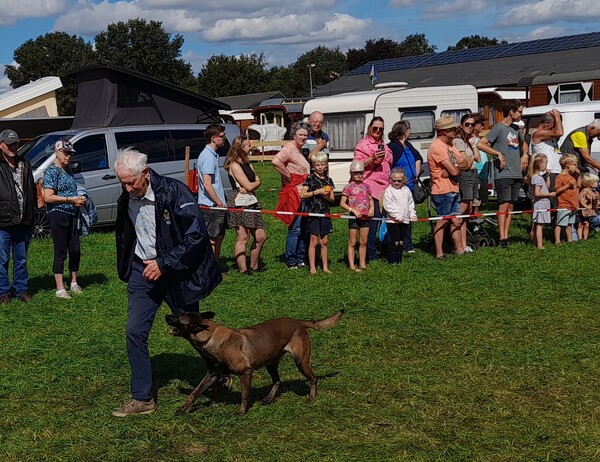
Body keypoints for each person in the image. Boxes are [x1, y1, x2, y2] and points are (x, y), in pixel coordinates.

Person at [112, 147, 221, 417]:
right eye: (122, 183)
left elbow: (196, 236)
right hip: (142, 271)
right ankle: (142, 398)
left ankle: (220, 371)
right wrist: (133, 266)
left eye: (131, 182)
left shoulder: (175, 192)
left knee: (195, 331)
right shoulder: (126, 199)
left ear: (145, 174)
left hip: (176, 272)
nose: (127, 189)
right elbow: (125, 235)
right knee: (134, 331)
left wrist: (164, 263)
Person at [477, 99, 528, 248]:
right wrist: (498, 153)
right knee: (503, 205)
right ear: (511, 112)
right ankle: (501, 237)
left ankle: (507, 235)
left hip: (516, 172)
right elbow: (481, 144)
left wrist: (525, 154)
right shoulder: (499, 128)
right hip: (503, 173)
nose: (521, 115)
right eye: (519, 111)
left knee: (511, 205)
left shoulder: (516, 129)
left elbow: (523, 142)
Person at [43, 140, 87, 299]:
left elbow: (72, 188)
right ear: (57, 152)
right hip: (58, 214)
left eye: (71, 153)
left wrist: (80, 199)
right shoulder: (51, 171)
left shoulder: (68, 170)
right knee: (61, 250)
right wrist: (71, 200)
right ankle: (60, 288)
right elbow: (48, 197)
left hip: (72, 213)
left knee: (75, 249)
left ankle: (74, 282)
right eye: (66, 153)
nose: (69, 156)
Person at [0, 129, 36, 304]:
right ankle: (3, 292)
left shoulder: (24, 164)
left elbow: (30, 190)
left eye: (15, 144)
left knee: (21, 258)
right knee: (2, 259)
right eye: (9, 144)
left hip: (23, 220)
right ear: (1, 145)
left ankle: (21, 290)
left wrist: (32, 215)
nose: (13, 147)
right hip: (3, 221)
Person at [224, 135, 267, 275]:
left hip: (252, 201)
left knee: (260, 236)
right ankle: (243, 269)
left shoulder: (248, 163)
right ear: (240, 148)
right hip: (239, 202)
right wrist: (254, 184)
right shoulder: (234, 165)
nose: (251, 147)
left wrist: (255, 184)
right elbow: (249, 185)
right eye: (248, 145)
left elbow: (257, 182)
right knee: (243, 236)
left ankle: (254, 266)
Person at [427, 116, 469, 259]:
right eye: (452, 129)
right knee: (443, 220)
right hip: (442, 190)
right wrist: (456, 167)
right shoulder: (437, 147)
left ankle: (459, 250)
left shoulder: (450, 146)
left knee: (456, 220)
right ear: (445, 131)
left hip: (453, 187)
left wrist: (455, 166)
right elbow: (455, 171)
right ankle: (439, 253)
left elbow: (466, 164)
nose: (455, 131)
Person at [353, 117, 393, 262]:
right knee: (372, 222)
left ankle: (383, 248)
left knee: (385, 221)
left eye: (380, 129)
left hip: (385, 188)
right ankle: (371, 254)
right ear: (370, 128)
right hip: (371, 188)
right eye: (375, 128)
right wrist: (372, 158)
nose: (377, 131)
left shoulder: (385, 146)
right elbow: (357, 165)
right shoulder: (363, 145)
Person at [272, 122, 311, 269]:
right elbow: (275, 160)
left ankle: (300, 258)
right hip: (295, 193)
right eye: (300, 134)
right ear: (294, 135)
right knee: (295, 228)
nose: (303, 137)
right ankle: (291, 260)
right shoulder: (289, 147)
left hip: (304, 193)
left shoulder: (299, 149)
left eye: (305, 135)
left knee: (303, 226)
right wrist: (288, 175)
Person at [387, 120, 423, 253]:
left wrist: (416, 171)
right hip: (397, 186)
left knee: (408, 214)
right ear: (404, 130)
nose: (410, 131)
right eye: (409, 129)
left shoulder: (408, 145)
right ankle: (396, 243)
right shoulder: (392, 147)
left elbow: (418, 157)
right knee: (397, 216)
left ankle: (407, 244)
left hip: (410, 186)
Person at [300, 152, 335, 274]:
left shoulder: (329, 180)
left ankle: (325, 267)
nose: (320, 167)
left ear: (326, 165)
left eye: (322, 164)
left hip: (325, 212)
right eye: (317, 165)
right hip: (313, 213)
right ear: (313, 165)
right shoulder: (310, 178)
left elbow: (332, 199)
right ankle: (312, 267)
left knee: (324, 241)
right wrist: (317, 192)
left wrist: (326, 196)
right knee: (314, 241)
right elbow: (303, 194)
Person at [197, 124, 228, 261]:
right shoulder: (208, 157)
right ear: (214, 138)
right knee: (213, 239)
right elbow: (207, 185)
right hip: (210, 205)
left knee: (219, 236)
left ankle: (215, 264)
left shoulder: (212, 155)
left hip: (215, 204)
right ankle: (210, 267)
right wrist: (219, 203)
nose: (224, 139)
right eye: (222, 136)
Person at [452, 114, 480, 252]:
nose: (470, 127)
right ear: (461, 125)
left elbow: (478, 159)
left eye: (472, 125)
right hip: (466, 175)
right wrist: (471, 158)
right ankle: (458, 243)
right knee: (462, 210)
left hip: (474, 174)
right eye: (467, 124)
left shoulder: (469, 140)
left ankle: (464, 244)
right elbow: (465, 163)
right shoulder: (458, 141)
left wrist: (474, 145)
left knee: (468, 211)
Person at [340, 161, 374, 272]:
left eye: (360, 173)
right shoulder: (348, 187)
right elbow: (342, 203)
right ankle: (352, 265)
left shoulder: (367, 186)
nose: (358, 175)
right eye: (356, 173)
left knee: (363, 241)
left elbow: (370, 199)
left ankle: (362, 263)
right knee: (353, 242)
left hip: (365, 217)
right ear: (351, 173)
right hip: (354, 218)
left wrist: (372, 209)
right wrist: (352, 210)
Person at [382, 168, 418, 264]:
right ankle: (392, 261)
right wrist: (398, 217)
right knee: (395, 241)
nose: (396, 183)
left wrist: (413, 215)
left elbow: (410, 204)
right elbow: (387, 206)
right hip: (393, 221)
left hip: (405, 220)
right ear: (390, 179)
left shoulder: (406, 190)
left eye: (399, 181)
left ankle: (399, 260)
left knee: (402, 241)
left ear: (404, 180)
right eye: (394, 180)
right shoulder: (389, 191)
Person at [527, 154, 555, 249]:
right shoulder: (537, 178)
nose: (546, 166)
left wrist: (547, 177)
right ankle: (540, 245)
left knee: (539, 224)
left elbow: (546, 187)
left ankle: (536, 242)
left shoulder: (537, 177)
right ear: (539, 164)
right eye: (545, 164)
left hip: (543, 202)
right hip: (541, 203)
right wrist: (549, 195)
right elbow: (537, 193)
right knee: (539, 225)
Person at [553, 154, 581, 244]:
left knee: (569, 223)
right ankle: (557, 240)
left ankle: (569, 240)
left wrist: (579, 176)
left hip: (572, 204)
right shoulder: (560, 177)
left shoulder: (572, 176)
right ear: (567, 165)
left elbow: (579, 186)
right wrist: (568, 185)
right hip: (564, 204)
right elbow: (557, 190)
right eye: (575, 164)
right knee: (560, 223)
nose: (576, 167)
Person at [471, 113, 489, 215]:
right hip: (476, 174)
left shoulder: (480, 139)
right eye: (481, 123)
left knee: (480, 202)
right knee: (475, 202)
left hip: (483, 175)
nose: (483, 126)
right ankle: (473, 226)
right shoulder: (471, 140)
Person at [578, 172, 600, 241]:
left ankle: (585, 238)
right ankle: (580, 238)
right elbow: (580, 199)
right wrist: (585, 205)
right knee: (581, 224)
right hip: (583, 211)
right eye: (596, 182)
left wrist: (595, 200)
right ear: (590, 183)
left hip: (589, 212)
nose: (597, 184)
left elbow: (595, 202)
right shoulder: (585, 191)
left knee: (587, 225)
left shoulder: (595, 192)